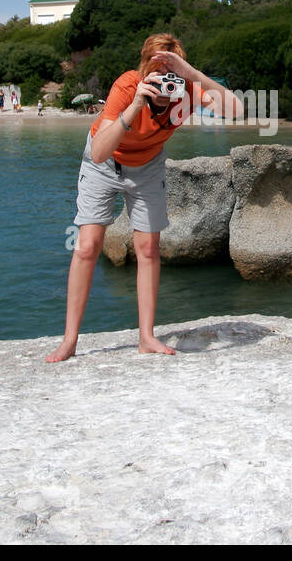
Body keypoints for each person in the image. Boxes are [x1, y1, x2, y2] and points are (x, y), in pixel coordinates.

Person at [46, 33, 245, 363]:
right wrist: (136, 103)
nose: (168, 82)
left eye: (174, 72)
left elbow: (236, 111)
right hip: (106, 160)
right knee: (87, 246)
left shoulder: (188, 91)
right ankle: (69, 340)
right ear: (144, 68)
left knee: (148, 248)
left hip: (149, 165)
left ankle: (146, 337)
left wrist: (192, 74)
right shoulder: (128, 85)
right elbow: (98, 152)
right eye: (160, 71)